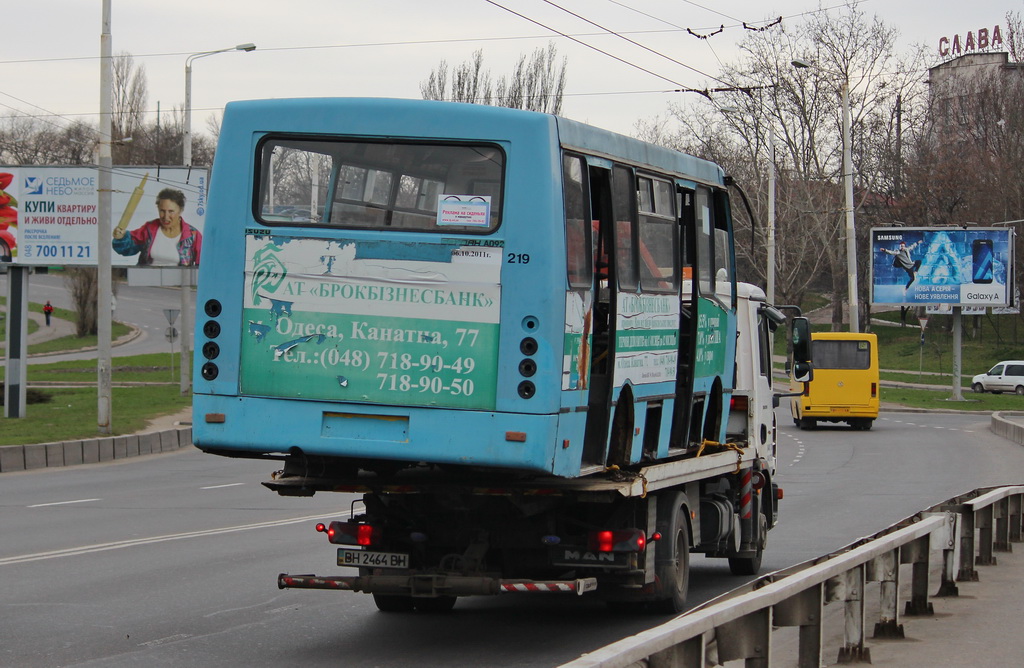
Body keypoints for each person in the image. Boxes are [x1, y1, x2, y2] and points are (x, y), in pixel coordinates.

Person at [112, 188, 202, 266]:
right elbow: (127, 249)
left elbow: (204, 264)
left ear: (180, 210)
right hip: (145, 282)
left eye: (171, 211)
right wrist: (121, 238)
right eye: (162, 211)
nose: (166, 217)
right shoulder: (149, 229)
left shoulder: (193, 235)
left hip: (178, 285)